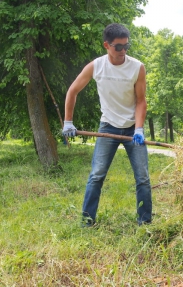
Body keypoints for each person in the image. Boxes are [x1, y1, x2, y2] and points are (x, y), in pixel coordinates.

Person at [62, 23, 152, 227]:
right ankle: (87, 221)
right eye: (118, 47)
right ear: (106, 45)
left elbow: (140, 100)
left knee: (143, 178)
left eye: (126, 46)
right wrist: (68, 122)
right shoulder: (96, 66)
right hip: (108, 127)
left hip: (132, 128)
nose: (123, 51)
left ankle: (145, 222)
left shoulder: (137, 67)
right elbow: (72, 91)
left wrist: (138, 128)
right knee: (96, 175)